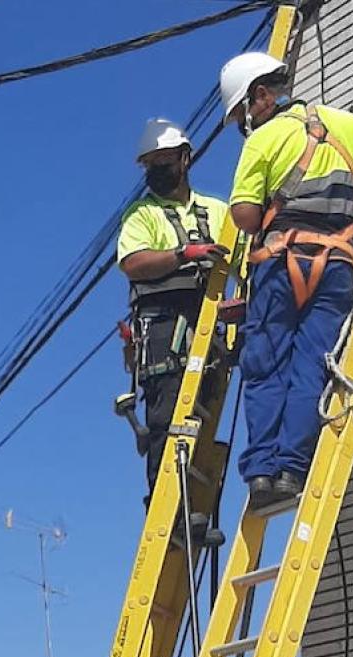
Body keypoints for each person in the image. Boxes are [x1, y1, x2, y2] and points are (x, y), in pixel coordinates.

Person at [218, 52, 353, 506]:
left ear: (260, 96)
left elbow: (243, 216)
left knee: (266, 364)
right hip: (337, 263)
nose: (244, 123)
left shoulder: (263, 139)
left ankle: (262, 472)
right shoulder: (347, 124)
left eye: (242, 113)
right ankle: (291, 471)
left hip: (281, 263)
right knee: (313, 365)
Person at [117, 119, 230, 497]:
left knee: (204, 415)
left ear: (185, 159)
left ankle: (194, 507)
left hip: (208, 320)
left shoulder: (217, 211)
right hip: (163, 324)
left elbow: (244, 261)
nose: (156, 173)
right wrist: (184, 254)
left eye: (163, 163)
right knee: (166, 418)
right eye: (150, 166)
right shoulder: (141, 215)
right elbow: (134, 263)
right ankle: (166, 504)